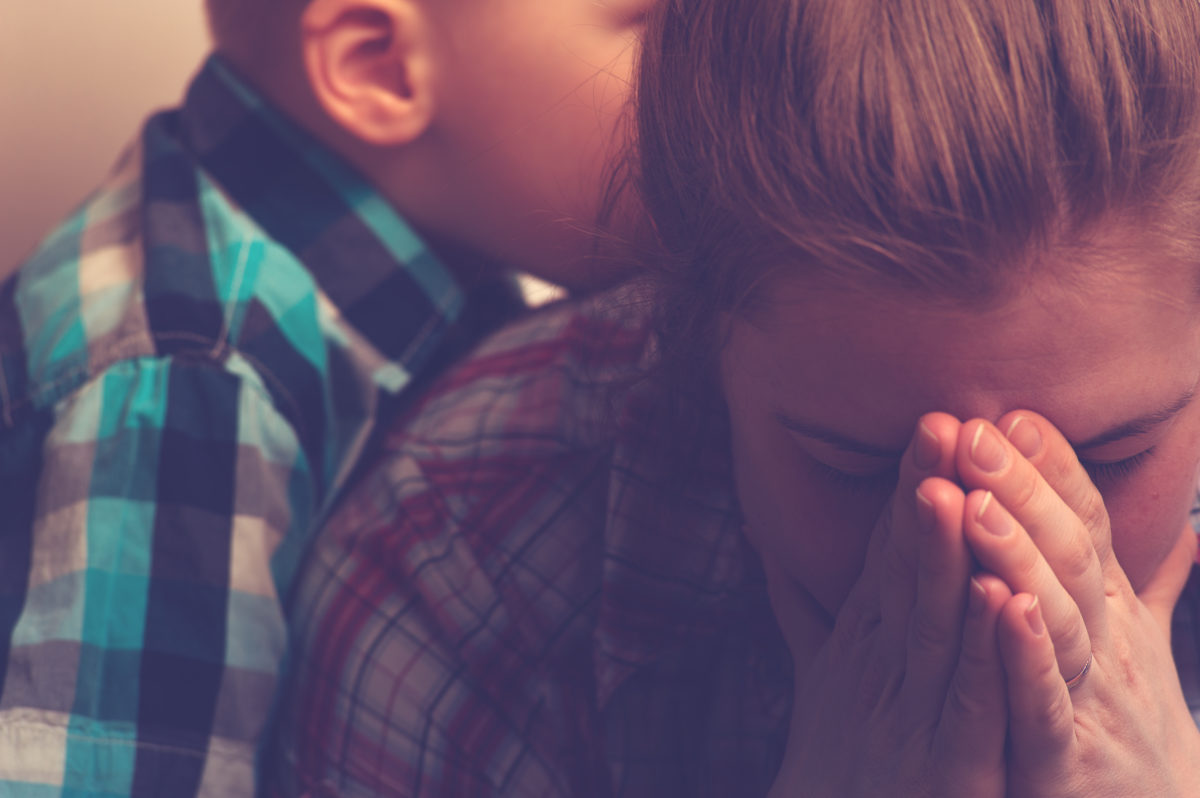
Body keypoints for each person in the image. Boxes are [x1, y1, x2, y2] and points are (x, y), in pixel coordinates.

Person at [269, 0, 1200, 794]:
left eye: (1112, 458)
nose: (993, 568)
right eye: (857, 466)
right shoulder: (458, 568)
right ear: (690, 338)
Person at [0, 0, 648, 794]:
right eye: (656, 23)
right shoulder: (192, 389)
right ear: (377, 67)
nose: (718, 75)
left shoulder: (433, 246)